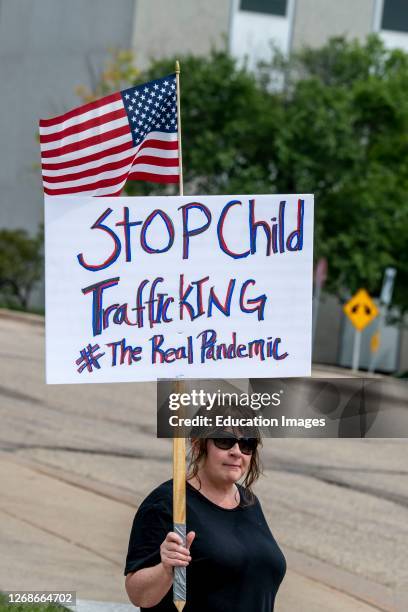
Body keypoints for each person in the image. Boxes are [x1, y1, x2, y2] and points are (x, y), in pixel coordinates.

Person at [125, 403, 286, 611]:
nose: (237, 452)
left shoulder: (249, 501)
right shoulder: (167, 503)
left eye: (247, 443)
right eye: (225, 441)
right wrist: (165, 569)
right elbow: (138, 595)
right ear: (199, 442)